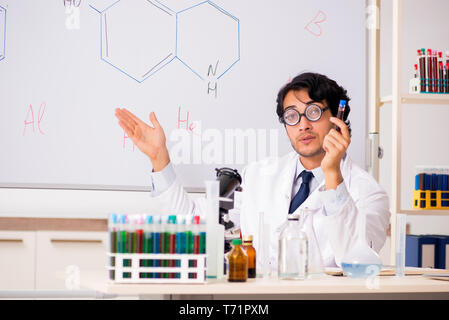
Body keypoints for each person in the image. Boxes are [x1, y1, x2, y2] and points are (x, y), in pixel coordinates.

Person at [115, 72, 390, 270]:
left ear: (337, 119)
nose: (303, 125)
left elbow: (356, 262)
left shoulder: (368, 192)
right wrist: (159, 158)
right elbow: (197, 222)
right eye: (292, 116)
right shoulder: (261, 175)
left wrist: (333, 176)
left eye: (314, 112)